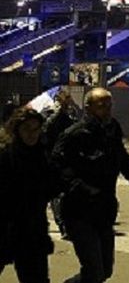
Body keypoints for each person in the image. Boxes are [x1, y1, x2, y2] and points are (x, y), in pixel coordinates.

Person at [50, 87, 129, 283]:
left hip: (105, 210)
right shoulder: (74, 134)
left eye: (109, 105)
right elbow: (58, 168)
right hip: (79, 211)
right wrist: (82, 187)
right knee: (94, 271)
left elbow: (124, 160)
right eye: (102, 106)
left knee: (105, 271)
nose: (107, 110)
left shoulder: (112, 128)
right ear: (88, 107)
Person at [0, 108, 56, 282]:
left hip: (32, 231)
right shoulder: (5, 156)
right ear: (17, 130)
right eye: (27, 129)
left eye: (36, 129)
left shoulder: (43, 155)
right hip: (4, 228)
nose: (32, 134)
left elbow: (50, 186)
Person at [43, 89, 77, 239]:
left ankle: (62, 224)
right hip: (57, 160)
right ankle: (63, 225)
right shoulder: (64, 119)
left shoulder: (56, 119)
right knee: (57, 195)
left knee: (55, 195)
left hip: (56, 159)